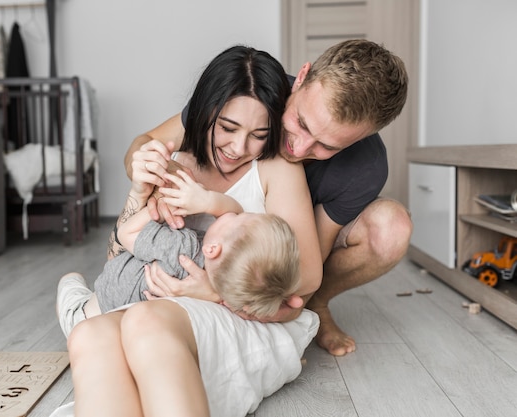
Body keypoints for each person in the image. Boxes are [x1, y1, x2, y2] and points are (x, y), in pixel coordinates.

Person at [54, 45, 323, 417]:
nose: (237, 147)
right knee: (90, 334)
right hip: (156, 304)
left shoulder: (276, 169)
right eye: (227, 128)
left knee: (144, 322)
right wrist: (141, 180)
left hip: (240, 315)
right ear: (203, 113)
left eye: (258, 134)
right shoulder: (177, 161)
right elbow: (118, 257)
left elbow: (303, 285)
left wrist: (215, 292)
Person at [124, 39, 412, 356]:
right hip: (234, 225)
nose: (299, 149)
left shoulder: (365, 167)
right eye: (301, 123)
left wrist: (228, 294)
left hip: (296, 235)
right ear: (301, 79)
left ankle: (318, 306)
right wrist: (163, 172)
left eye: (327, 147)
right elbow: (147, 142)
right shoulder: (251, 94)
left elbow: (305, 270)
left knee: (390, 230)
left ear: (362, 137)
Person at [57, 163, 302, 337]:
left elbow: (125, 233)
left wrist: (165, 208)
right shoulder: (226, 285)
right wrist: (209, 201)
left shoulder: (182, 249)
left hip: (92, 312)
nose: (233, 213)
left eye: (239, 219)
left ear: (213, 249)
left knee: (70, 283)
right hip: (124, 321)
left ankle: (71, 283)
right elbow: (233, 210)